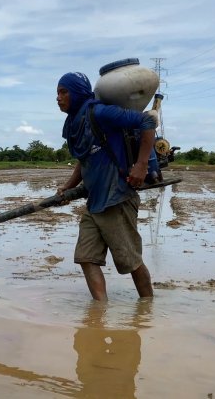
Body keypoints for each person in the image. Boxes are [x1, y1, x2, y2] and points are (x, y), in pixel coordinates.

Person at [56, 71, 158, 300]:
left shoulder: (99, 113)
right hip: (94, 203)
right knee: (86, 257)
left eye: (64, 92)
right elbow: (85, 160)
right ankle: (99, 311)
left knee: (130, 261)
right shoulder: (74, 123)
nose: (59, 98)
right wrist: (68, 186)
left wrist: (141, 165)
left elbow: (148, 120)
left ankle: (148, 309)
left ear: (78, 93)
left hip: (118, 198)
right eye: (57, 93)